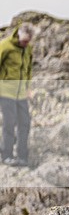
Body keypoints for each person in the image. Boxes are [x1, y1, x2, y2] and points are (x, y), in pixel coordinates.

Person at [0, 24, 35, 167]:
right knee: (9, 123)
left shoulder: (28, 49)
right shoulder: (5, 46)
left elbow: (28, 69)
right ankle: (6, 156)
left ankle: (22, 157)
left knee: (25, 123)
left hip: (21, 94)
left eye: (28, 41)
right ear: (19, 35)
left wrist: (28, 88)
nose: (26, 44)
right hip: (6, 92)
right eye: (24, 41)